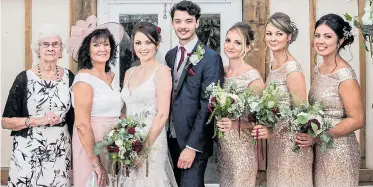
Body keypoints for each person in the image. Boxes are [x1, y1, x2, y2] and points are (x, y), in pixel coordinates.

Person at [2, 23, 74, 186]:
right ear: (38, 49)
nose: (50, 48)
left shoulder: (69, 77)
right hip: (28, 151)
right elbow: (6, 122)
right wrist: (38, 120)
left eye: (55, 44)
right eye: (45, 44)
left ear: (61, 49)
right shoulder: (24, 78)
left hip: (60, 151)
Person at [165, 1, 225, 186]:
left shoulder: (210, 58)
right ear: (173, 23)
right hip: (170, 139)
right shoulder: (170, 55)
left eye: (188, 21)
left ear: (197, 23)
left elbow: (208, 104)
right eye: (178, 21)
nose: (182, 26)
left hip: (194, 142)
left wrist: (192, 147)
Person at [68, 15, 126, 187]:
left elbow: (118, 111)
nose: (102, 49)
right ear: (88, 50)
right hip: (91, 148)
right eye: (96, 45)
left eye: (106, 44)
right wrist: (95, 162)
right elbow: (82, 124)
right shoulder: (84, 79)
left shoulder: (112, 76)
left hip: (113, 146)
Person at [119, 21, 177, 187]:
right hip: (129, 142)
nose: (142, 48)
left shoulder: (162, 72)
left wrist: (143, 150)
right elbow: (124, 109)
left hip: (152, 142)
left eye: (148, 42)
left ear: (157, 45)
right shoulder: (129, 73)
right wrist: (124, 141)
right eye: (138, 43)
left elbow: (163, 114)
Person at [310, 13, 364, 187]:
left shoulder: (345, 76)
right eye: (317, 36)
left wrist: (319, 137)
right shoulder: (317, 69)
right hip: (319, 150)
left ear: (340, 41)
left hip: (339, 151)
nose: (320, 41)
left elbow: (357, 120)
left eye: (328, 36)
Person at [264, 12, 313, 187]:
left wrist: (272, 132)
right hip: (276, 144)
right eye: (269, 33)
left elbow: (301, 114)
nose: (273, 38)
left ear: (289, 37)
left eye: (279, 34)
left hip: (292, 145)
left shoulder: (292, 69)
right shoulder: (273, 65)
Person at [215, 22, 267, 187]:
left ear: (249, 47)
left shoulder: (253, 79)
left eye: (238, 43)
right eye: (228, 40)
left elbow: (260, 120)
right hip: (223, 152)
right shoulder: (220, 72)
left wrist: (234, 123)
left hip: (242, 152)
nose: (231, 46)